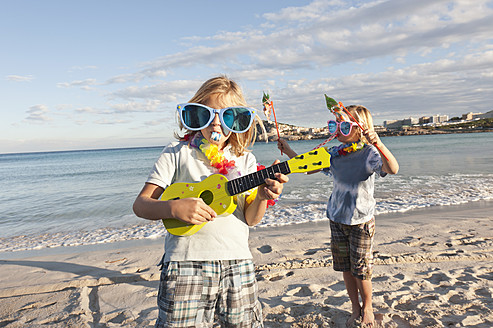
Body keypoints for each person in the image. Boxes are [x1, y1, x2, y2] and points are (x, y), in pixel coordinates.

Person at [133, 76, 288, 328]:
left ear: (239, 121)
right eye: (206, 114)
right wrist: (173, 207)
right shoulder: (177, 152)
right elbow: (141, 205)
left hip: (238, 263)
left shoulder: (245, 161)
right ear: (194, 115)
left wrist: (262, 195)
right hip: (185, 263)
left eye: (227, 116)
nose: (216, 123)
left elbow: (251, 219)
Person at [278, 105, 399, 327]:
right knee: (345, 268)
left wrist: (379, 143)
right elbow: (306, 167)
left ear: (359, 129)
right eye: (334, 125)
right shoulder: (334, 153)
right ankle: (355, 307)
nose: (336, 130)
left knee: (362, 271)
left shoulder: (370, 154)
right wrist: (288, 151)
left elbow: (393, 168)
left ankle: (368, 307)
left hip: (361, 221)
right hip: (337, 219)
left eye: (343, 125)